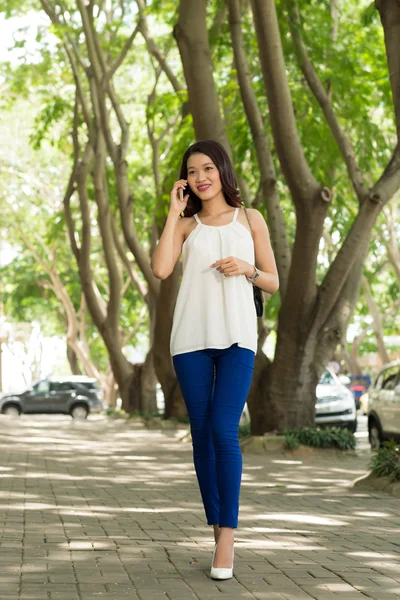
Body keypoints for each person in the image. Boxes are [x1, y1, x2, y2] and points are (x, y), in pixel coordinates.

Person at [151, 140, 279, 580]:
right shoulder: (186, 228)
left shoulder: (251, 219)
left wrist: (248, 269)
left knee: (224, 429)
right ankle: (215, 522)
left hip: (238, 338)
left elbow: (274, 281)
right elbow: (162, 269)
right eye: (192, 171)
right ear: (185, 181)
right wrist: (172, 214)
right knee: (201, 433)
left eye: (208, 167)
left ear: (223, 170)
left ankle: (227, 536)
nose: (201, 176)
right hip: (189, 339)